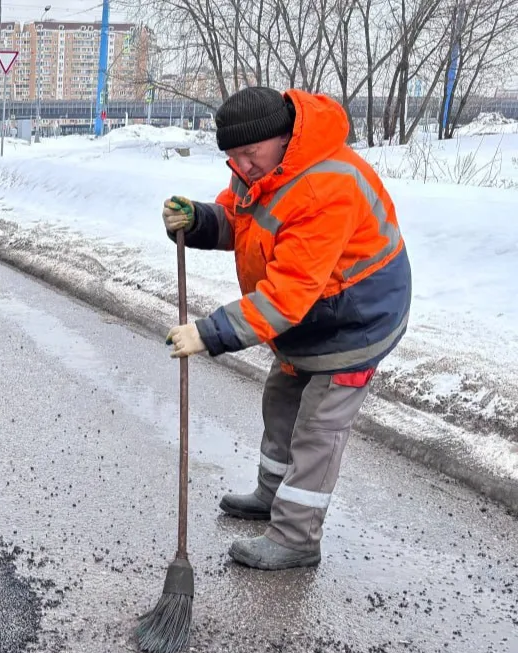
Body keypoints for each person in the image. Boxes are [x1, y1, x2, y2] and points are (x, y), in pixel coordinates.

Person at [161, 86, 412, 571]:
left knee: (318, 428)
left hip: (356, 319)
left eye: (249, 154)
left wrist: (209, 333)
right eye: (232, 157)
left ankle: (297, 537)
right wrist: (201, 221)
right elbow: (244, 220)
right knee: (280, 399)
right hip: (307, 319)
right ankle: (271, 495)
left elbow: (287, 295)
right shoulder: (260, 168)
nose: (241, 167)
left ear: (282, 139)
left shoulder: (325, 187)